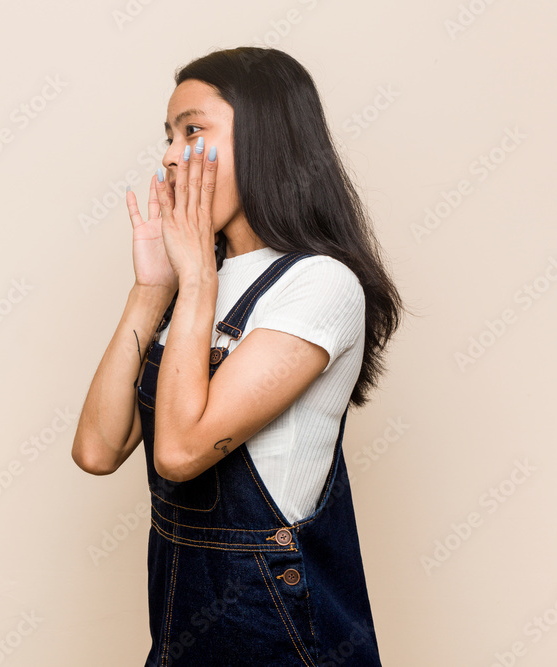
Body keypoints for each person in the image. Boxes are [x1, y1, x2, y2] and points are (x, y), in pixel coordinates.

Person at [71, 47, 405, 666]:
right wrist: (150, 293)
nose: (172, 155)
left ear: (264, 138)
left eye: (193, 130)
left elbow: (178, 452)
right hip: (179, 628)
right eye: (168, 137)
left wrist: (195, 279)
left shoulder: (320, 284)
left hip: (273, 632)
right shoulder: (198, 282)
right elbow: (97, 448)